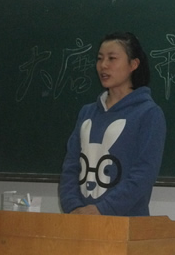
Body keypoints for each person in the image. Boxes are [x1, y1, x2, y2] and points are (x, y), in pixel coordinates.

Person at [59, 31, 166, 216]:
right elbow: (71, 166)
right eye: (100, 59)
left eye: (112, 58)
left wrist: (102, 209)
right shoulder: (87, 113)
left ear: (133, 64)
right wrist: (73, 207)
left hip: (126, 224)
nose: (103, 65)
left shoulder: (148, 114)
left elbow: (144, 174)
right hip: (80, 222)